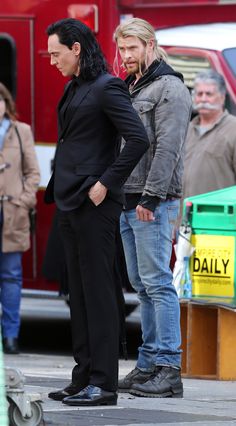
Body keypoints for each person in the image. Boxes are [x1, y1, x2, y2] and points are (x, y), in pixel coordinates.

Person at [45, 18, 149, 407]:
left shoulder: (108, 87)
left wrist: (106, 182)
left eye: (57, 54)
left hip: (95, 203)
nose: (53, 61)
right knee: (79, 294)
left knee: (100, 294)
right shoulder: (76, 87)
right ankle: (83, 375)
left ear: (76, 48)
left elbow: (138, 139)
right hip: (70, 201)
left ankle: (104, 384)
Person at [114, 18, 192, 398]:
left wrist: (151, 197)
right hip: (128, 198)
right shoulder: (133, 86)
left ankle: (168, 368)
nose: (126, 56)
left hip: (151, 201)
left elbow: (168, 148)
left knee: (158, 284)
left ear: (150, 44)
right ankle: (147, 366)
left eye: (132, 48)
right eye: (122, 49)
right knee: (142, 286)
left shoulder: (170, 87)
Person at [0, 82, 40, 354]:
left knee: (12, 277)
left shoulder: (21, 131)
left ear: (6, 103)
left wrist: (24, 201)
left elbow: (33, 174)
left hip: (13, 213)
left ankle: (11, 335)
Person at [183, 69, 236, 199]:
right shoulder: (186, 130)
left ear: (222, 97)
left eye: (209, 94)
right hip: (183, 216)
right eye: (199, 94)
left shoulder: (233, 129)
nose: (203, 99)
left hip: (218, 216)